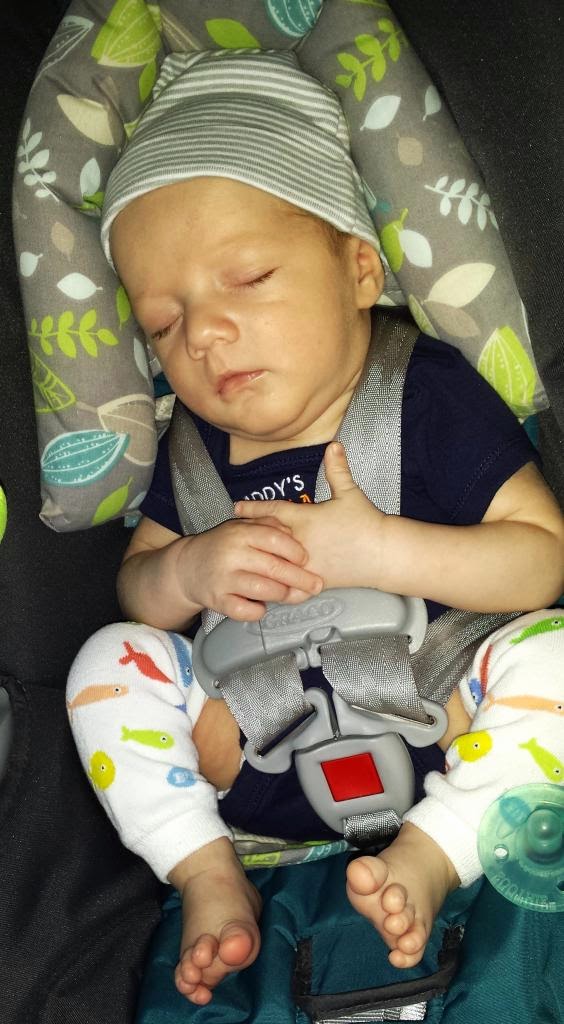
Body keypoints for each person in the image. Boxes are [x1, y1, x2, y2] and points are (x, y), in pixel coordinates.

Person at [66, 50, 564, 1007]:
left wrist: (383, 550)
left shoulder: (425, 396)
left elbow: (541, 557)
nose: (202, 334)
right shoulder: (194, 451)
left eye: (248, 278)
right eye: (163, 323)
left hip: (443, 726)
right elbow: (138, 588)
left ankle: (437, 851)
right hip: (246, 750)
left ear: (358, 267)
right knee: (106, 663)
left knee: (555, 653)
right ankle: (205, 869)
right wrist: (187, 572)